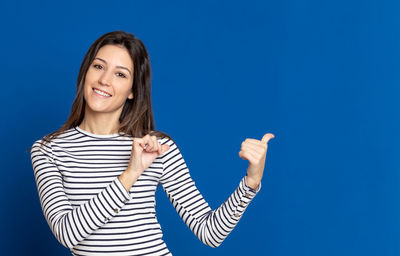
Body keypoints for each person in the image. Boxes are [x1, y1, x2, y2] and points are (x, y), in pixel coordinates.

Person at [30, 30, 275, 256]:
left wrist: (251, 182)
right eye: (98, 66)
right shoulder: (48, 150)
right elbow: (67, 233)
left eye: (120, 74)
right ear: (86, 72)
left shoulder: (158, 148)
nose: (104, 80)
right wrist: (131, 173)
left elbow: (209, 232)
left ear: (132, 90)